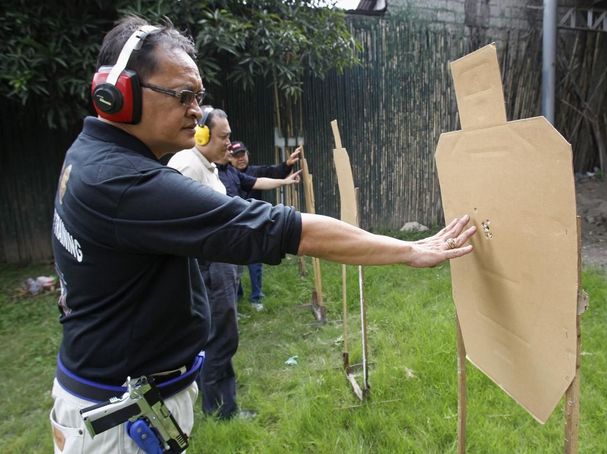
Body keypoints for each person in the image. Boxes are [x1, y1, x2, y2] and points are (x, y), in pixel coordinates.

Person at [49, 15, 476, 454]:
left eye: (198, 97)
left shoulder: (90, 155)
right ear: (117, 93)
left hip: (112, 401)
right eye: (183, 96)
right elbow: (284, 229)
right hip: (120, 421)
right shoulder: (125, 185)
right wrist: (408, 250)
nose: (196, 111)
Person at [167, 105, 243, 420]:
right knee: (221, 338)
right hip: (209, 267)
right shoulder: (188, 165)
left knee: (224, 335)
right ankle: (220, 409)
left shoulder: (208, 166)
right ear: (202, 133)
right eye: (223, 137)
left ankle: (221, 402)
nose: (229, 144)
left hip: (220, 263)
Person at [228, 140, 302, 311]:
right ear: (229, 157)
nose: (241, 159)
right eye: (236, 156)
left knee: (255, 263)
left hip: (255, 226)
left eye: (243, 154)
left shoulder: (255, 172)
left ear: (247, 155)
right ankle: (237, 297)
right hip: (235, 227)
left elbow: (274, 172)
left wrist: (288, 164)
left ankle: (256, 298)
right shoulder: (227, 175)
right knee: (233, 264)